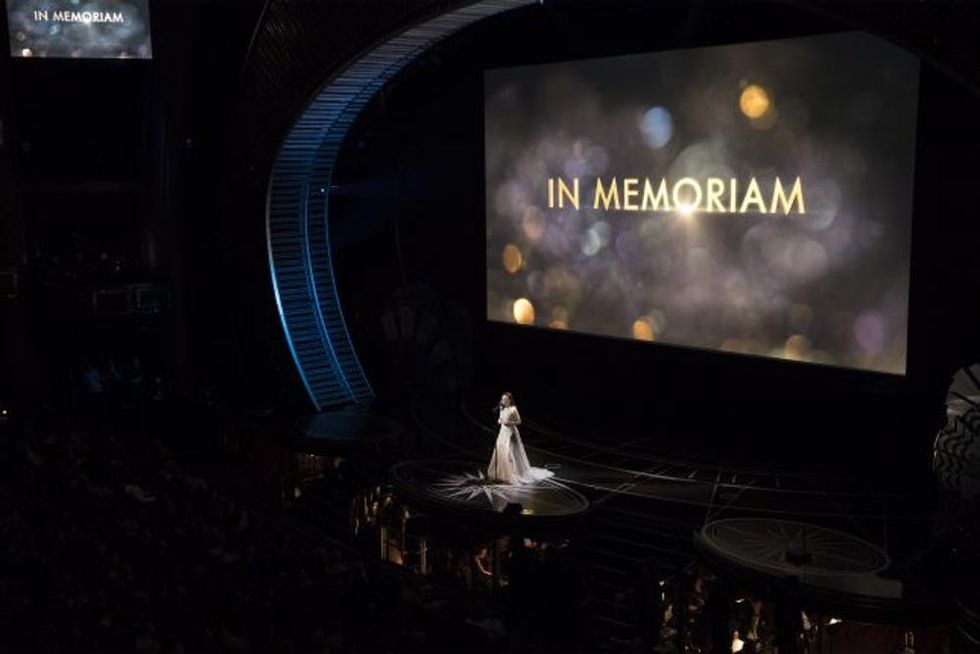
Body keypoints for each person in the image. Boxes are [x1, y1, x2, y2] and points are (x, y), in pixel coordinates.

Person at [487, 392, 554, 484]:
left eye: (505, 399)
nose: (503, 401)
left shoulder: (513, 409)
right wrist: (500, 421)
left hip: (511, 432)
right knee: (501, 452)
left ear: (510, 400)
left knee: (509, 452)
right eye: (502, 399)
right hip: (502, 433)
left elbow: (519, 421)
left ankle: (513, 474)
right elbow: (500, 419)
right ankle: (502, 474)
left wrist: (509, 422)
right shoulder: (502, 408)